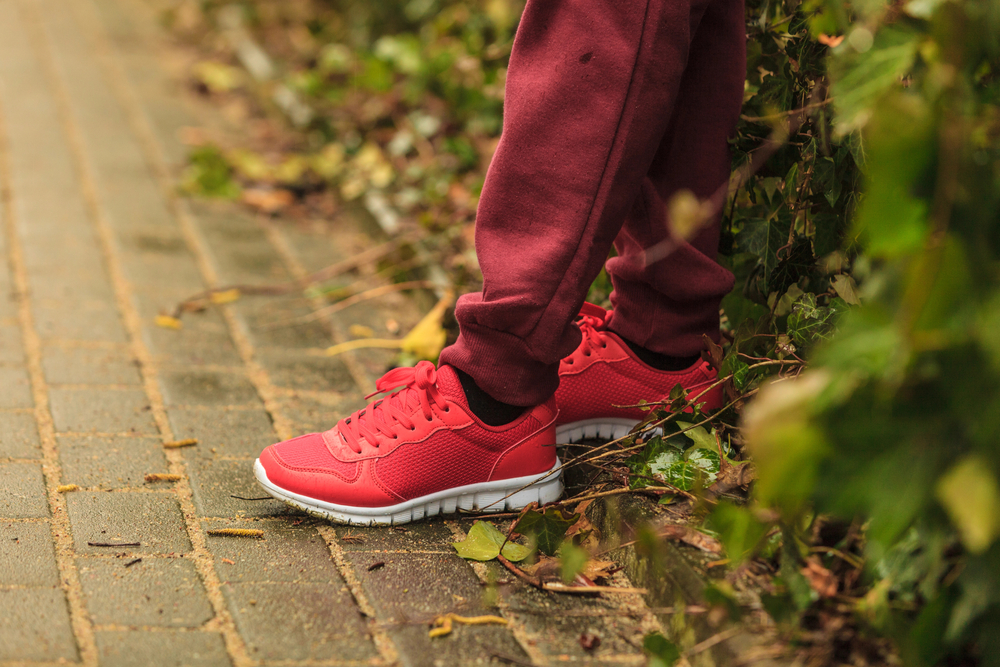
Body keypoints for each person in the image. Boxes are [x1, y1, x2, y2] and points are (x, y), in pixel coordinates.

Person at [252, 0, 746, 525]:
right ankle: (661, 348)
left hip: (502, 402)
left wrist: (505, 355)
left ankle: (495, 398)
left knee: (601, 15)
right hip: (669, 342)